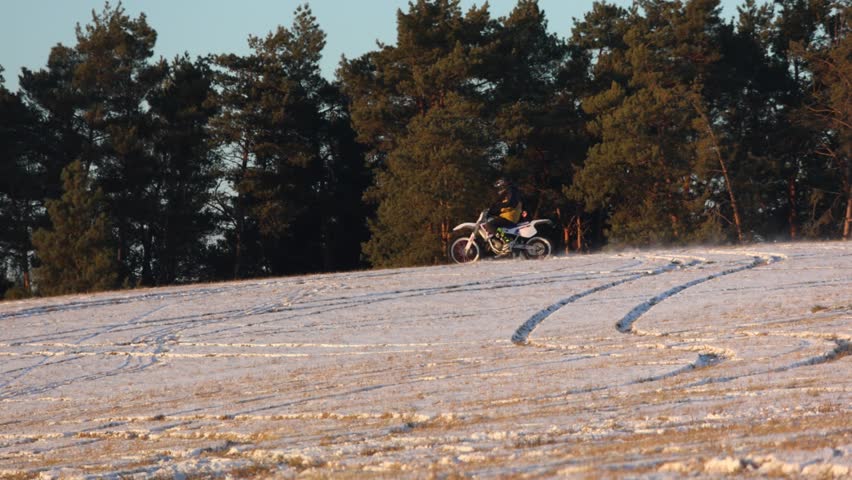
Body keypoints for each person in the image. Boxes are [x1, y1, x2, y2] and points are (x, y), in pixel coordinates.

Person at [486, 179, 523, 243]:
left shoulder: (511, 193)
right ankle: (502, 240)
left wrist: (498, 206)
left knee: (490, 225)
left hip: (509, 217)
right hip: (509, 217)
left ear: (503, 187)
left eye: (499, 188)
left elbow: (510, 204)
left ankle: (506, 240)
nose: (499, 191)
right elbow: (501, 207)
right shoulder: (510, 194)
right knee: (497, 227)